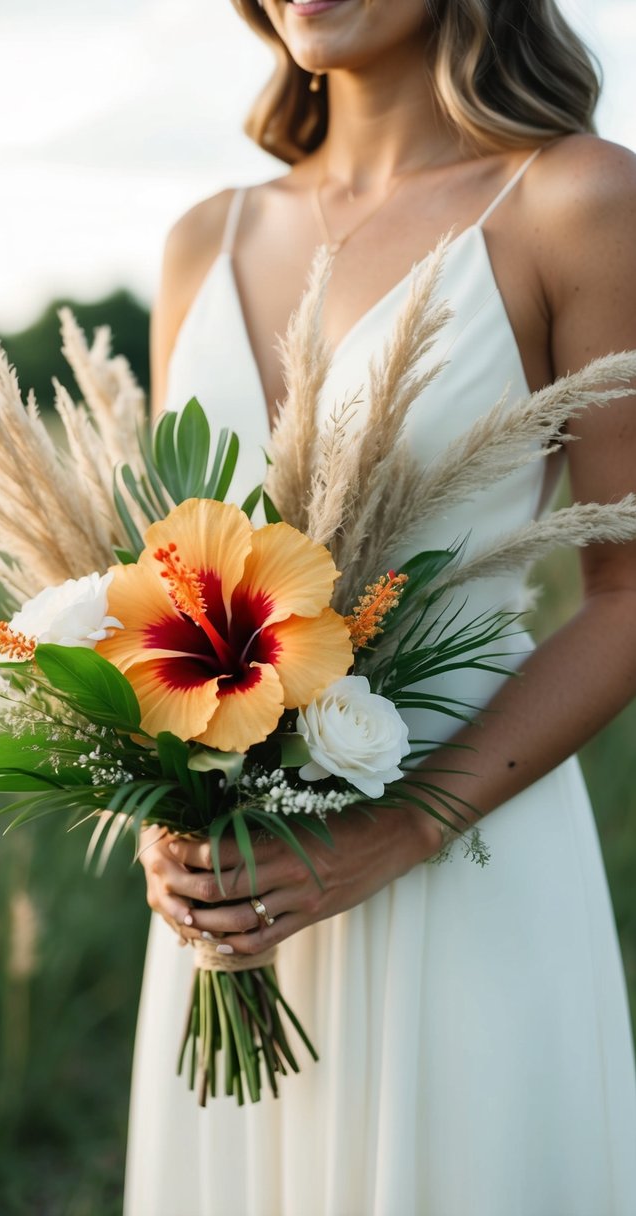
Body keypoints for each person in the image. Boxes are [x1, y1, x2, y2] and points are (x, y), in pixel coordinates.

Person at [125, 2, 636, 1212]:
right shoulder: (204, 236)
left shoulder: (576, 201)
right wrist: (160, 809)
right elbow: (163, 589)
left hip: (466, 850)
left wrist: (405, 829)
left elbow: (629, 583)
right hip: (234, 904)